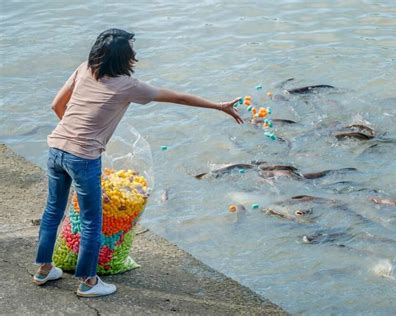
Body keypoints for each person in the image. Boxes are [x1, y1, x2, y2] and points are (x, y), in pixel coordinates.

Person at [33, 28, 243, 297]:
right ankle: (88, 281)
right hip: (83, 158)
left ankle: (43, 270)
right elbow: (177, 97)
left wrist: (73, 134)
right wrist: (218, 105)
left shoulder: (84, 69)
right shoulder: (127, 86)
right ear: (124, 58)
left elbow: (56, 105)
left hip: (56, 148)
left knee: (53, 211)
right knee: (91, 221)